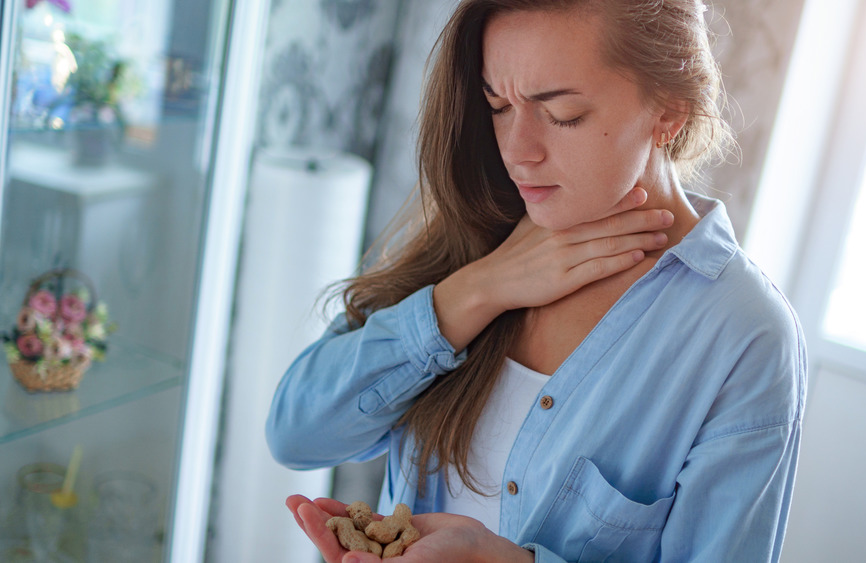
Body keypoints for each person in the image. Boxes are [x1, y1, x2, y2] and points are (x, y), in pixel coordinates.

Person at [267, 0, 806, 561]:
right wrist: (477, 291)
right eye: (498, 106)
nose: (518, 152)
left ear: (669, 111)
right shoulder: (479, 232)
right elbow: (296, 435)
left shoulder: (744, 335)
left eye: (563, 113)